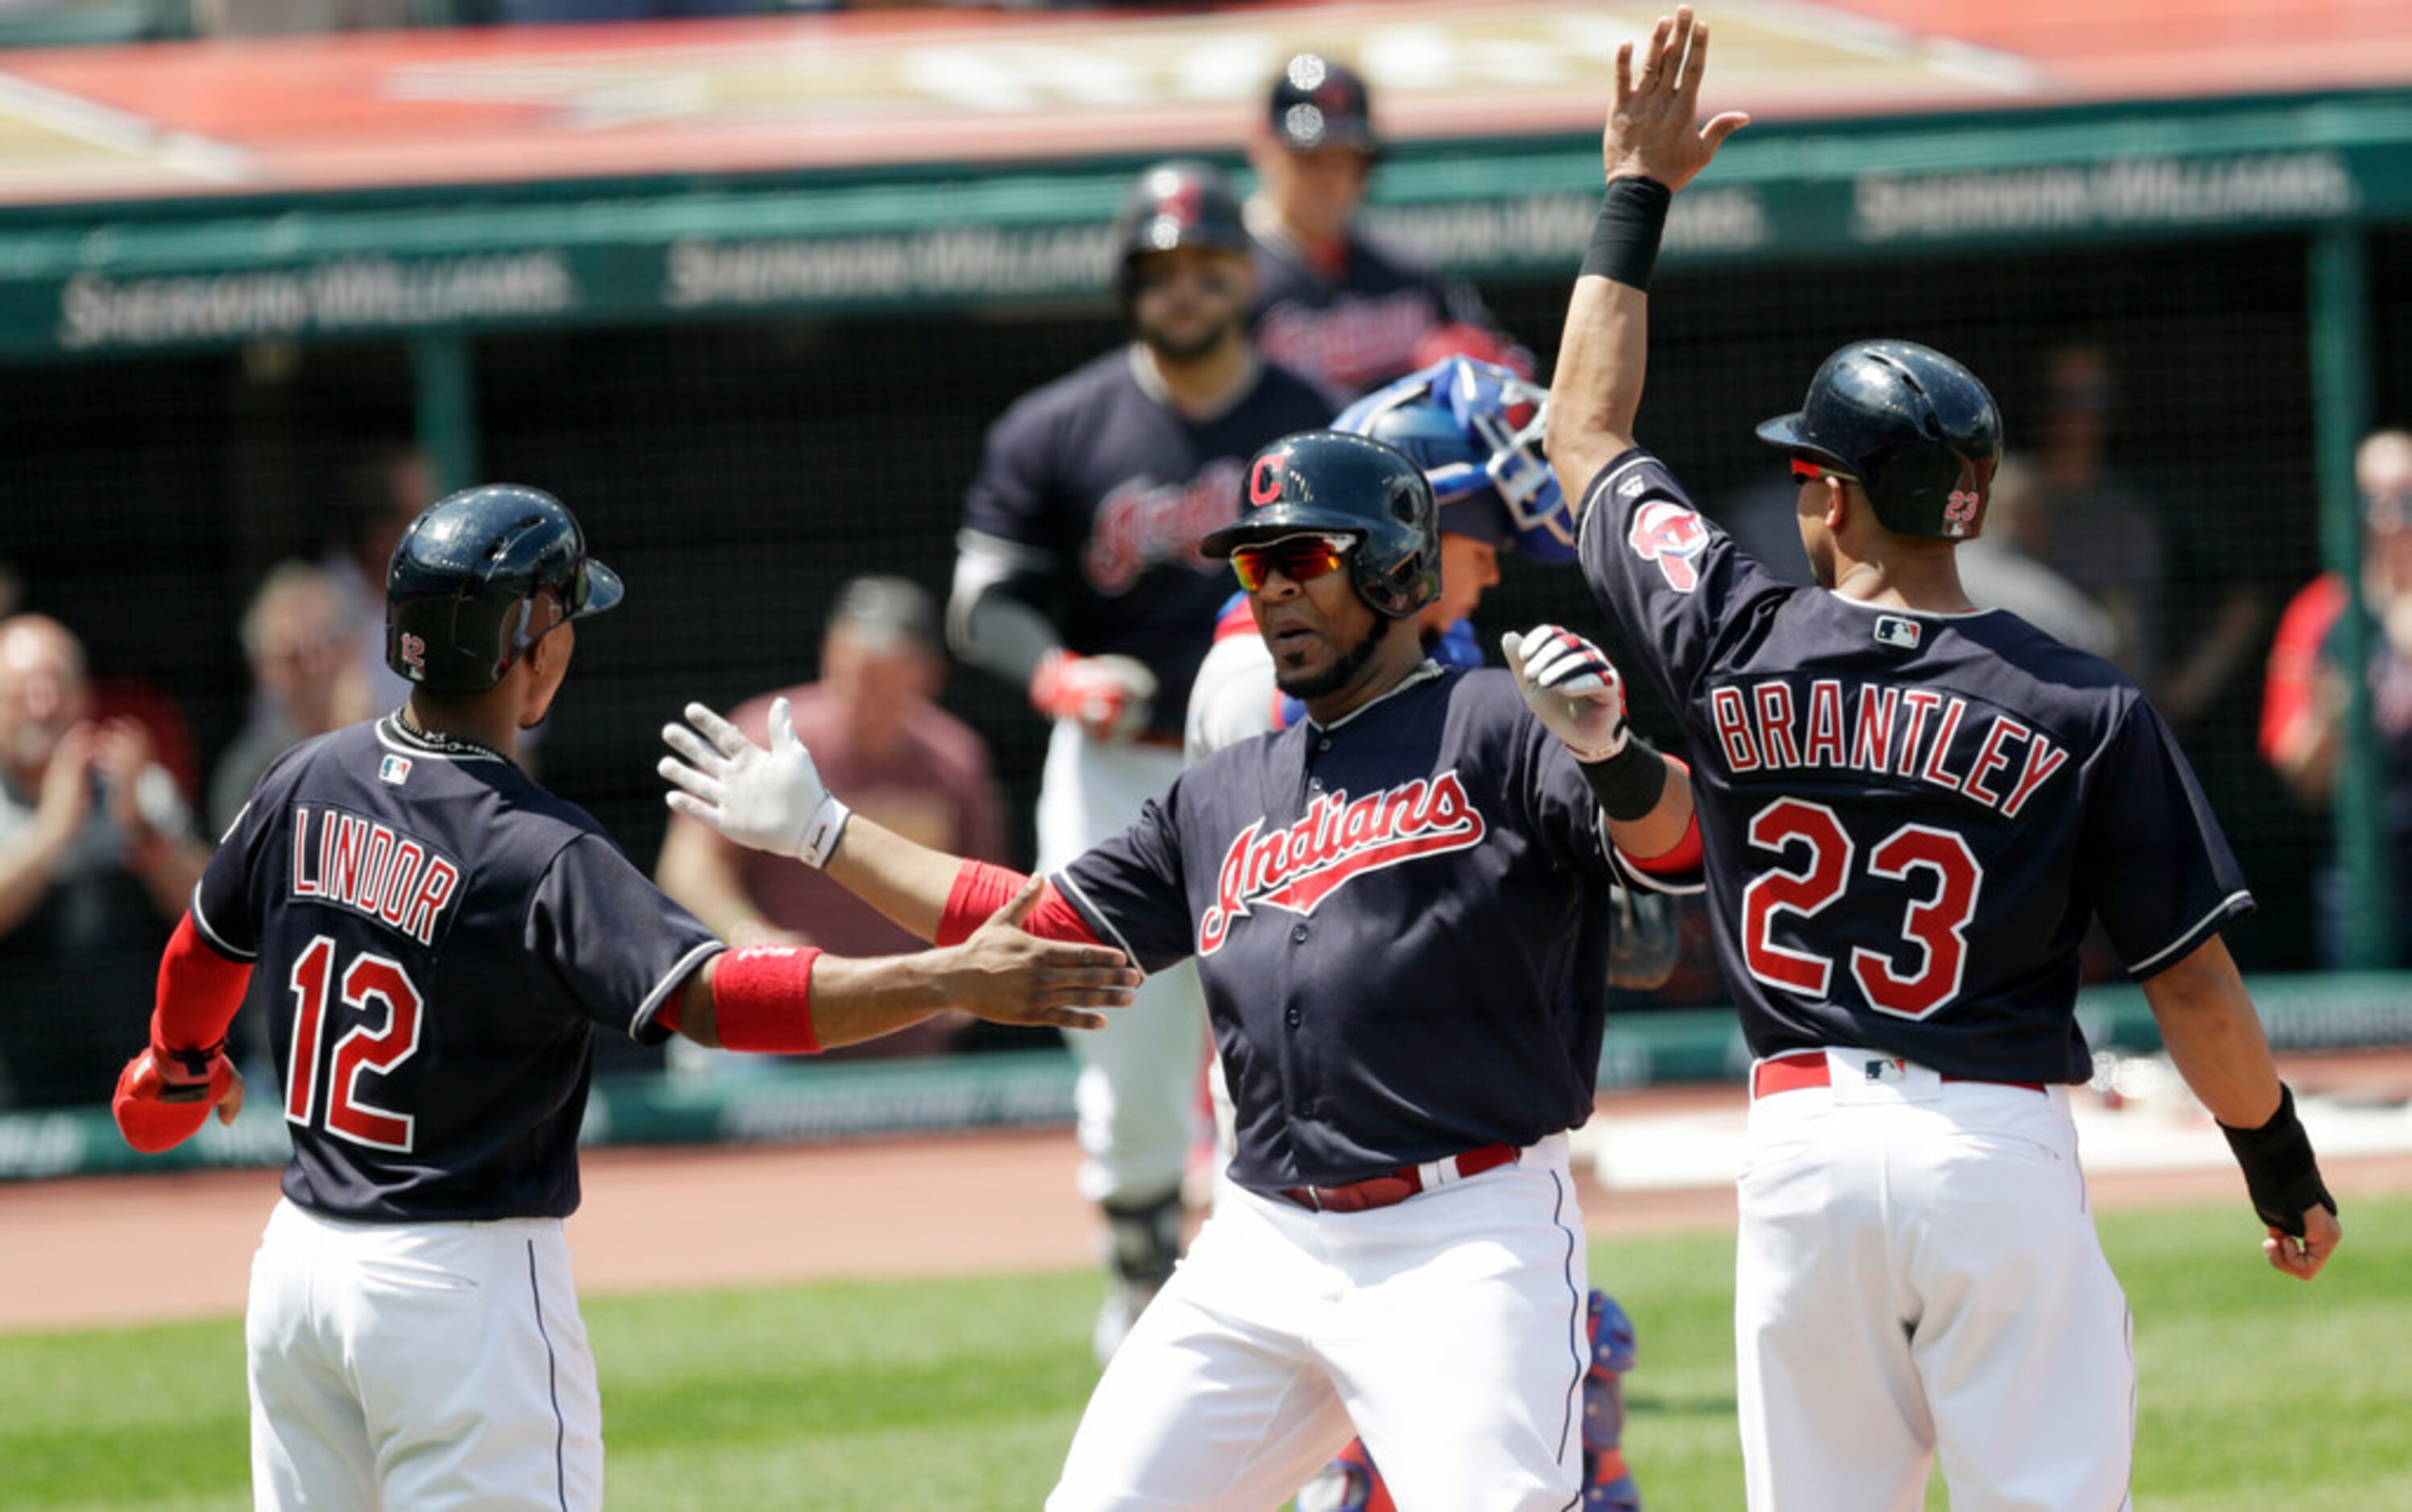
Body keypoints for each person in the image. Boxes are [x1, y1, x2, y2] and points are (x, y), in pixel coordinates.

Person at [1545, 13, 2343, 1507]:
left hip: (1800, 1148)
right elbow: (2195, 991)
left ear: (1824, 495)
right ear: (1969, 498)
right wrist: (2280, 1164)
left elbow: (1580, 432)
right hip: (1994, 1145)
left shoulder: (1735, 630)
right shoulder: (2081, 701)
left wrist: (1634, 190)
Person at [664, 428, 1703, 1509]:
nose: (1271, 592)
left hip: (1462, 1233)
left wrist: (1607, 752)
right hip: (1262, 1241)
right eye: (1254, 566)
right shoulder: (1221, 791)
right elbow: (1031, 919)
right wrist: (824, 830)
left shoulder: (1494, 719)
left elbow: (1675, 849)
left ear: (1396, 567)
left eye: (1301, 559)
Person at [108, 485, 1138, 1512]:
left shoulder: (305, 778)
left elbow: (205, 943)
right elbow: (725, 1000)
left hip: (297, 1270)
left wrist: (179, 1056)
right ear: (534, 652)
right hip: (458, 1290)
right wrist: (948, 975)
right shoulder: (536, 847)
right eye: (563, 621)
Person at [1188, 359, 1661, 1512]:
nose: (1495, 561)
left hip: (1397, 1127)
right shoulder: (1279, 672)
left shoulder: (1383, 665)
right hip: (1353, 1143)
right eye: (1478, 534)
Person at [949, 157, 1333, 1360]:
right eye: (1160, 268)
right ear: (1128, 281)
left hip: (1280, 761)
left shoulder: (1306, 419)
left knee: (1297, 1012)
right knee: (1115, 1030)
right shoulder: (1058, 424)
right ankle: (1135, 1275)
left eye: (1207, 264)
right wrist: (1052, 671)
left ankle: (1293, 1272)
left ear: (1245, 274)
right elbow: (982, 600)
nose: (1185, 287)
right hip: (1117, 762)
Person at [656, 573, 1006, 1064]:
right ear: (828, 655)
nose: (860, 691)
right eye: (848, 668)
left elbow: (984, 894)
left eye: (881, 675)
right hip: (769, 1023)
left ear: (926, 675)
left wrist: (974, 966)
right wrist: (750, 935)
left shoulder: (955, 761)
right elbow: (688, 864)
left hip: (903, 1032)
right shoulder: (768, 739)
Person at [0, 613, 210, 1109]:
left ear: (86, 698)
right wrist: (52, 830)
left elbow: (217, 913)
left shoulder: (136, 783)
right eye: (23, 691)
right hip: (20, 1085)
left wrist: (143, 830)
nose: (43, 706)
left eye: (57, 687)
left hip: (140, 1074)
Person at [1247, 53, 1522, 404]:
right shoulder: (1232, 279)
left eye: (1343, 158)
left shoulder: (1406, 267)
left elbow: (1506, 374)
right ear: (1264, 150)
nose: (1327, 178)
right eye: (1309, 158)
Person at [2260, 427, 2412, 962]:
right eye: (2371, 502)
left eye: (2406, 500)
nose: (2389, 519)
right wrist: (2333, 718)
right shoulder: (2319, 612)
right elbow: (2304, 785)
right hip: (2363, 876)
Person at [210, 561, 370, 837]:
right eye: (294, 656)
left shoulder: (407, 744)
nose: (315, 667)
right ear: (264, 669)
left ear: (354, 646)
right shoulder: (255, 773)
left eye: (327, 644)